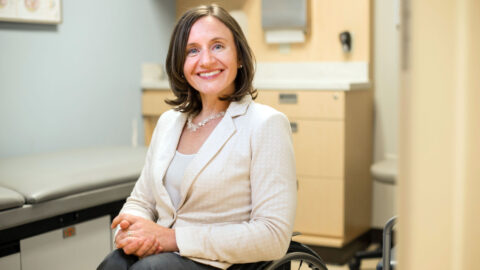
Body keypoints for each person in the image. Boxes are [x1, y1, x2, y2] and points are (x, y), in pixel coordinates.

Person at [98, 4, 296, 270]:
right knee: (114, 264)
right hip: (166, 254)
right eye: (193, 50)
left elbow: (273, 235)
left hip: (226, 263)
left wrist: (172, 238)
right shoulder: (169, 122)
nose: (206, 60)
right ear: (181, 64)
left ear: (239, 56)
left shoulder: (265, 124)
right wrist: (129, 228)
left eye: (217, 46)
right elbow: (141, 200)